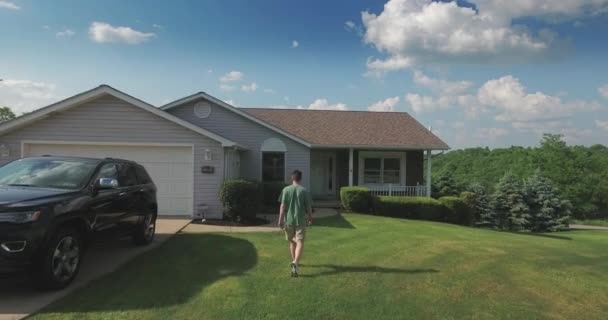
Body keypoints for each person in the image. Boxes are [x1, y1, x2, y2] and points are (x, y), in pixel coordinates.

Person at [278, 169, 313, 277]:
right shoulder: (304, 191)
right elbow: (308, 207)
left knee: (292, 241)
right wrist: (310, 217)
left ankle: (295, 262)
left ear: (292, 178)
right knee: (300, 241)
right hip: (300, 220)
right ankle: (295, 262)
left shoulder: (285, 190)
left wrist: (280, 219)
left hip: (288, 220)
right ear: (300, 179)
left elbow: (282, 206)